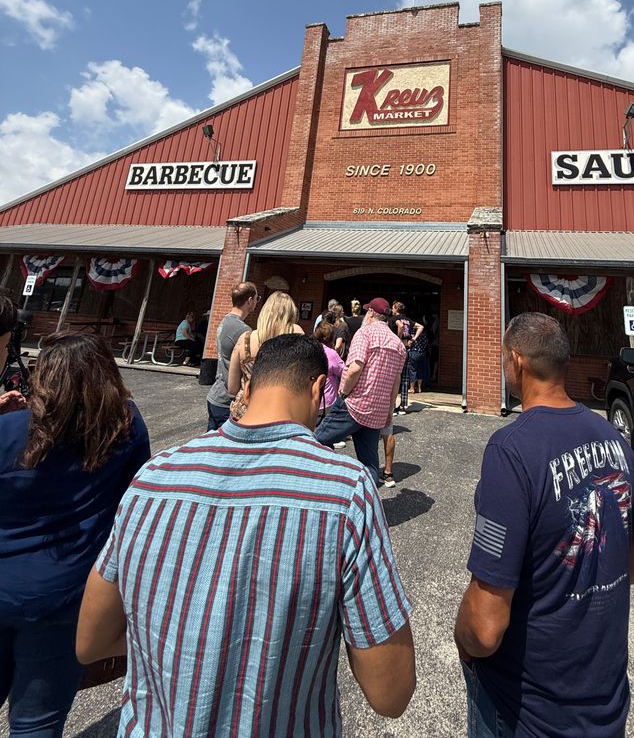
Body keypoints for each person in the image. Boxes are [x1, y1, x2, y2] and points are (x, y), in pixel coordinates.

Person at [77, 334, 416, 736]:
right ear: (316, 390)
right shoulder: (345, 491)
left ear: (250, 387)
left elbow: (90, 641)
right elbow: (390, 692)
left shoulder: (155, 475)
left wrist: (176, 644)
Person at [454, 312, 634, 738]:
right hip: (606, 699)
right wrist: (594, 580)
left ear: (516, 362)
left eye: (502, 359)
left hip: (528, 707)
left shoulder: (511, 449)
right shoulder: (610, 436)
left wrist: (464, 640)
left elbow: (484, 627)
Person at [0, 329, 150, 737]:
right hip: (66, 594)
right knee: (37, 722)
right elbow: (134, 503)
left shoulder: (10, 431)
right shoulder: (125, 429)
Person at [315, 297, 406, 485]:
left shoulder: (364, 333)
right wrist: (389, 411)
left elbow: (355, 368)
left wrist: (343, 393)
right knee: (370, 463)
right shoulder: (398, 345)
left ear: (371, 313)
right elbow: (395, 382)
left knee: (316, 441)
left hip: (354, 404)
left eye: (367, 312)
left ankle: (314, 487)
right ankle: (368, 502)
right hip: (377, 411)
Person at [227, 290, 304, 419]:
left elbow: (232, 388)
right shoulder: (295, 335)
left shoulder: (245, 339)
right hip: (281, 412)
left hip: (245, 412)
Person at [206, 281, 259, 431]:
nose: (256, 302)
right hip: (227, 401)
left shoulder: (225, 321)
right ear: (249, 300)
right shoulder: (242, 330)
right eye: (256, 298)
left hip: (216, 394)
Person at [313, 320, 344, 417]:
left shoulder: (310, 349)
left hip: (310, 399)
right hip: (326, 400)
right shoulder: (332, 354)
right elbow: (343, 371)